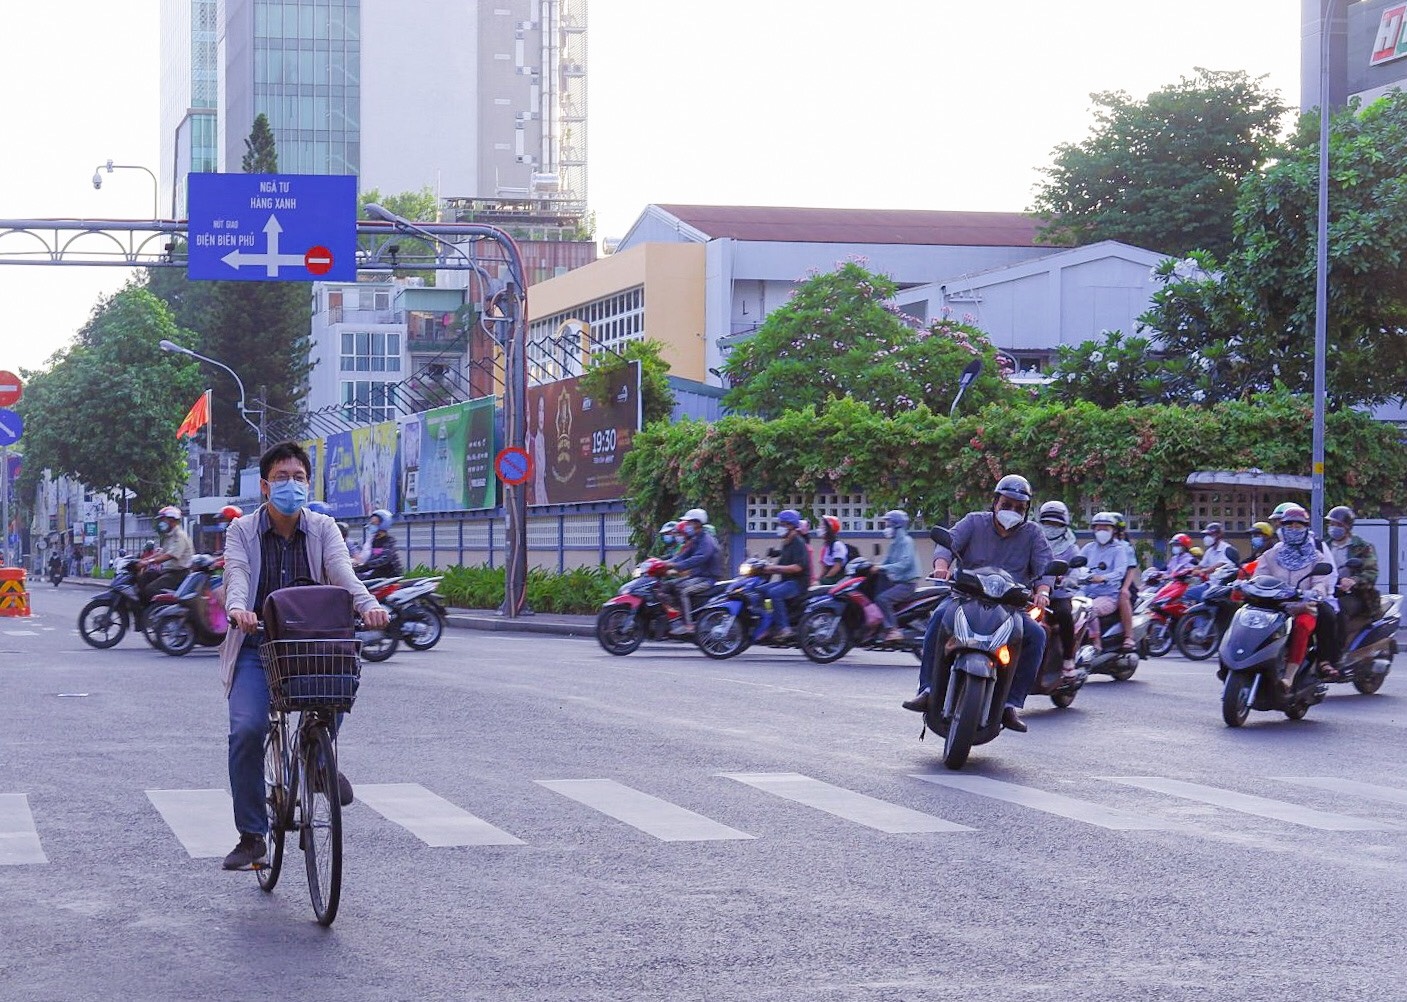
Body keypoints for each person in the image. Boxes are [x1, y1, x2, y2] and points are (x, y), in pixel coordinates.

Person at [219, 441, 389, 872]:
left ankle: (318, 758)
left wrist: (367, 605)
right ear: (264, 486)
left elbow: (342, 571)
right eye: (281, 477)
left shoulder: (324, 527)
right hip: (258, 645)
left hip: (313, 646)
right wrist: (239, 609)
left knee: (339, 686)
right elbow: (236, 573)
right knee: (247, 731)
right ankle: (252, 835)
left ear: (308, 483)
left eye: (298, 477)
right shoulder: (242, 531)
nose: (290, 485)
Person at [905, 474, 1052, 733]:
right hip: (965, 598)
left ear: (1027, 510)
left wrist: (1042, 591)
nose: (1012, 511)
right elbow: (947, 546)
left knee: (1037, 636)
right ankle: (927, 689)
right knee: (938, 618)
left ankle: (1011, 704)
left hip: (1011, 608)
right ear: (995, 502)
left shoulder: (1033, 534)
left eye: (1019, 507)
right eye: (1007, 504)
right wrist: (941, 567)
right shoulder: (973, 522)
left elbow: (1045, 568)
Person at [1253, 505, 1335, 690]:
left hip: (1303, 607)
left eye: (1299, 526)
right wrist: (1249, 586)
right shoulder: (1271, 554)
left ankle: (1288, 677)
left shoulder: (1316, 556)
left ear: (1306, 528)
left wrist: (1314, 594)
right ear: (1282, 528)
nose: (1293, 530)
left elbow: (1321, 582)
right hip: (1274, 606)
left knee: (1303, 625)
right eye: (1289, 526)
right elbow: (1259, 577)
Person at [1326, 505, 1381, 667]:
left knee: (1338, 611)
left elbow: (1372, 572)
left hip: (1354, 594)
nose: (1334, 528)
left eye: (1338, 525)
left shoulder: (1362, 546)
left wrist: (1354, 580)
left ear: (1347, 527)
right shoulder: (1324, 544)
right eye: (1331, 524)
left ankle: (1339, 653)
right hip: (1327, 591)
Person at [1038, 501, 1080, 679]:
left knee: (1064, 614)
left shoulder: (1071, 547)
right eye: (1048, 523)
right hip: (1033, 594)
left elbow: (1076, 570)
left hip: (1058, 596)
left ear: (1064, 525)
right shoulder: (1034, 541)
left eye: (1056, 524)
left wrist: (1068, 579)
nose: (1051, 528)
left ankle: (1068, 660)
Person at [663, 508, 722, 635]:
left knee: (683, 591)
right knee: (669, 586)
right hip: (696, 576)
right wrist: (665, 563)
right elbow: (683, 555)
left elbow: (698, 559)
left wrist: (676, 566)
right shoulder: (695, 540)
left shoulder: (707, 540)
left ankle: (688, 624)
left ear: (697, 523)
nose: (687, 525)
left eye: (689, 522)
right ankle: (675, 619)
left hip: (707, 579)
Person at [1080, 512, 1133, 653]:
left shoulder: (1119, 550)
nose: (1102, 531)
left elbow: (1121, 571)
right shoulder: (1088, 548)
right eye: (1099, 528)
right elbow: (1076, 565)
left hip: (1108, 595)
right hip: (1085, 593)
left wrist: (1103, 578)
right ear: (1094, 530)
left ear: (1113, 530)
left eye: (1106, 528)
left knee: (1089, 610)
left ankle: (1096, 642)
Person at [759, 509, 812, 642]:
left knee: (774, 593)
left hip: (798, 584)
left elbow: (798, 567)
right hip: (786, 581)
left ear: (790, 525)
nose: (779, 527)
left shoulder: (798, 543)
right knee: (759, 590)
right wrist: (762, 568)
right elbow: (781, 565)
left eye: (782, 524)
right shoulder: (786, 544)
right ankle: (767, 622)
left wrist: (774, 568)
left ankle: (784, 628)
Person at [871, 509, 922, 644]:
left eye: (888, 524)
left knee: (882, 599)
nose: (886, 527)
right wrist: (872, 566)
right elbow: (886, 561)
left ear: (896, 525)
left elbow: (904, 564)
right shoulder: (894, 543)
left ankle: (894, 630)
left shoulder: (906, 541)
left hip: (907, 584)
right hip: (897, 582)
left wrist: (882, 568)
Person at [137, 505, 195, 599]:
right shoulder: (169, 536)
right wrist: (141, 560)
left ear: (172, 520)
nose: (161, 523)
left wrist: (148, 562)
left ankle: (153, 612)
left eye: (163, 519)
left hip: (179, 574)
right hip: (168, 571)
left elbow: (170, 555)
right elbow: (161, 553)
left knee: (150, 590)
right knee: (144, 577)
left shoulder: (179, 536)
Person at [1110, 512, 1139, 650]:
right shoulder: (1094, 547)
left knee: (1123, 598)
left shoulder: (1125, 547)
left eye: (1107, 527)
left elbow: (1131, 569)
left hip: (1123, 585)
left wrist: (1125, 588)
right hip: (1104, 585)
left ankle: (1128, 636)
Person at [357, 508, 404, 578]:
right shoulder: (374, 540)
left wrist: (367, 565)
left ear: (383, 523)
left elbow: (384, 559)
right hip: (379, 573)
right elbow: (372, 556)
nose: (371, 525)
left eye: (374, 523)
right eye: (371, 523)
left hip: (391, 575)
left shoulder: (389, 541)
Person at [817, 516, 851, 586]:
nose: (820, 528)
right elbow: (824, 567)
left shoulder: (837, 545)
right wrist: (818, 579)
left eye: (823, 526)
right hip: (829, 577)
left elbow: (837, 567)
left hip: (837, 578)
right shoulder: (826, 546)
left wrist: (823, 579)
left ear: (829, 529)